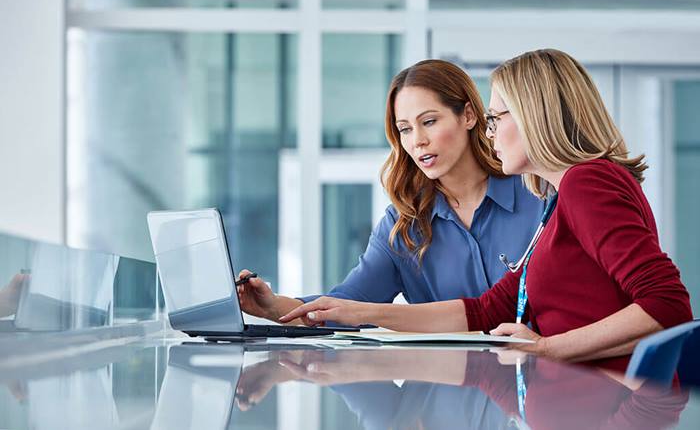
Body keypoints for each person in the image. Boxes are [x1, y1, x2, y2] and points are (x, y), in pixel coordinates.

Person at [279, 49, 693, 372]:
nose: (490, 132)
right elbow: (486, 311)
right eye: (405, 129)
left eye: (496, 118)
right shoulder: (562, 196)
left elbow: (667, 305)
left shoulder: (586, 184)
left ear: (534, 115)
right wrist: (358, 313)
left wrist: (546, 349)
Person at [237, 59, 544, 324]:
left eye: (429, 122)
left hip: (541, 382)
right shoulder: (405, 224)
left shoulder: (538, 195)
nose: (418, 140)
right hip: (446, 387)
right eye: (405, 129)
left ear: (467, 115)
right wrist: (271, 306)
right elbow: (346, 305)